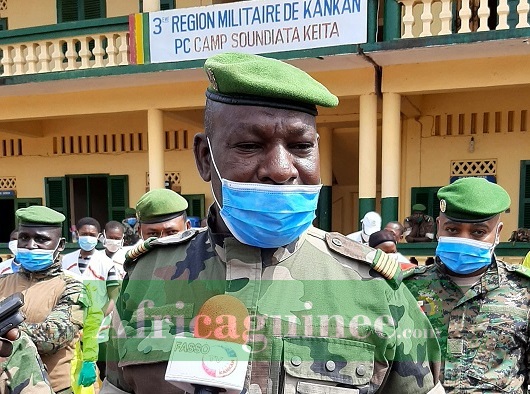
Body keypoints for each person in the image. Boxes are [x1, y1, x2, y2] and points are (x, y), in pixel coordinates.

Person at [102, 52, 443, 394]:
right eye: (250, 146)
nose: (281, 169)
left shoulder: (372, 285)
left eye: (301, 146)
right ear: (205, 158)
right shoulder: (147, 276)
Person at [404, 177, 530, 393]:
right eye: (453, 230)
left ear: (498, 233)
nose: (464, 238)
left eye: (478, 232)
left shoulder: (523, 291)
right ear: (439, 226)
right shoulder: (406, 290)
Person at [0, 205, 86, 393]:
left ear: (60, 245)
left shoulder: (71, 287)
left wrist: (8, 330)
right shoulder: (2, 282)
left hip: (51, 387)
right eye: (24, 238)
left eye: (41, 239)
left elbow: (51, 337)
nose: (31, 245)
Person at [62, 218, 121, 387]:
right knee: (71, 368)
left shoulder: (107, 263)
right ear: (76, 234)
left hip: (99, 327)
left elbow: (114, 296)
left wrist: (98, 317)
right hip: (69, 326)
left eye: (92, 235)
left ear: (99, 237)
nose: (88, 238)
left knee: (103, 370)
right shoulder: (65, 261)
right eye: (84, 234)